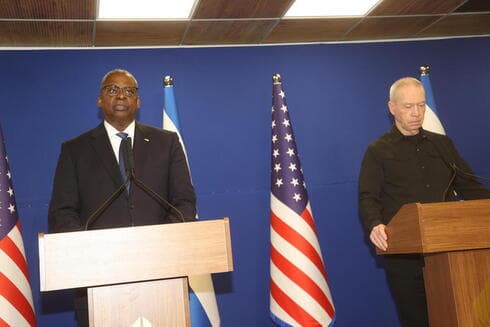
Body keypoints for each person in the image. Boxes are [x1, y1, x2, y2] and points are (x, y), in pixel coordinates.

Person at [48, 69, 196, 326]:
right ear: (99, 99)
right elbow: (62, 212)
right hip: (97, 277)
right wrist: (94, 251)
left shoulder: (166, 143)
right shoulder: (75, 150)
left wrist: (158, 244)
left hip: (161, 274)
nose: (121, 96)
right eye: (112, 89)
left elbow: (184, 201)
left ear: (138, 102)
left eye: (129, 91)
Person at [358, 77, 490, 327]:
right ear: (392, 107)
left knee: (457, 316)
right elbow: (368, 196)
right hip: (405, 256)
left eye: (421, 105)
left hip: (448, 250)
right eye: (409, 106)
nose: (417, 113)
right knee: (418, 320)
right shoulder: (378, 151)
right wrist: (375, 224)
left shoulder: (442, 144)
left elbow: (469, 185)